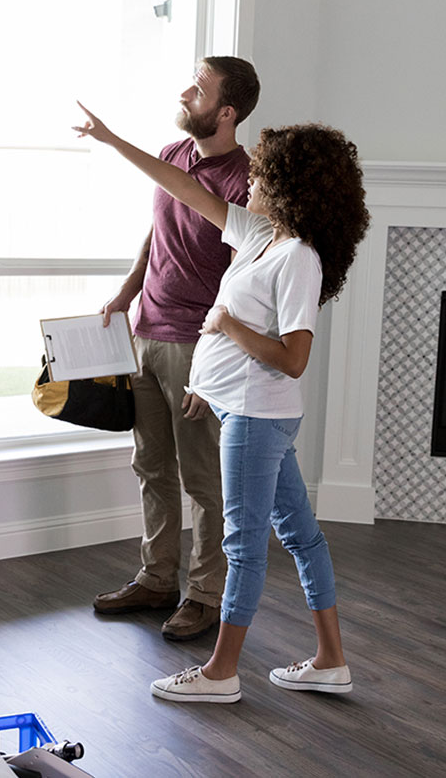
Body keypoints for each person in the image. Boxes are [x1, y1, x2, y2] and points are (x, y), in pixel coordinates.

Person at [73, 104, 370, 703]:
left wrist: (228, 327)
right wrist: (112, 141)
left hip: (259, 415)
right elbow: (180, 185)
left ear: (287, 187)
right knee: (301, 535)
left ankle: (220, 674)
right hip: (242, 407)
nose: (250, 182)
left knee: (243, 542)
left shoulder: (298, 259)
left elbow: (292, 357)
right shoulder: (260, 236)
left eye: (261, 174)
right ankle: (331, 660)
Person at [91, 57, 261, 642]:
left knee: (202, 479)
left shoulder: (247, 181)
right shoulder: (171, 155)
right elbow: (155, 234)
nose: (185, 92)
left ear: (227, 111)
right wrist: (126, 291)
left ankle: (206, 594)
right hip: (147, 333)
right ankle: (156, 577)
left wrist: (213, 366)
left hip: (198, 348)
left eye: (199, 87)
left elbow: (242, 282)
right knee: (150, 467)